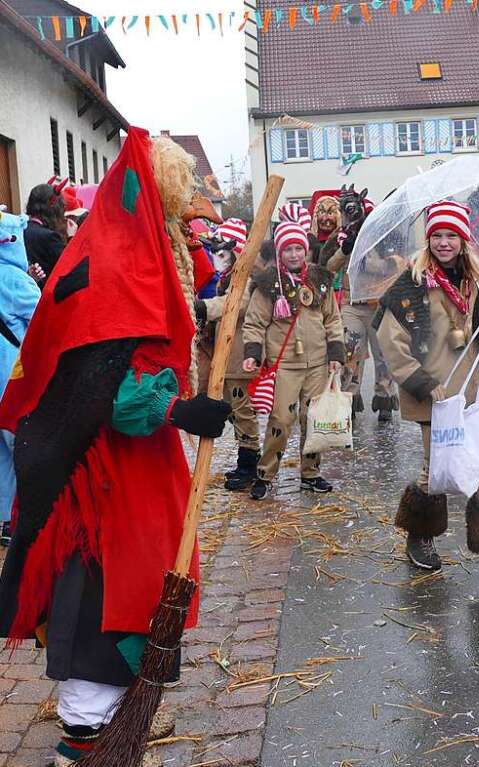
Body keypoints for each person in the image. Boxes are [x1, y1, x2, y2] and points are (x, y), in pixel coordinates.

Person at [0, 130, 231, 765]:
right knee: (107, 587)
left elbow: (151, 333)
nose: (188, 202)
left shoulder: (139, 246)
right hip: (102, 472)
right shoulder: (113, 260)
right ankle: (84, 740)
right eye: (179, 190)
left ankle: (108, 725)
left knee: (144, 577)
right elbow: (108, 382)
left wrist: (215, 316)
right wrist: (180, 408)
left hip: (138, 463)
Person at [375, 201, 479, 588]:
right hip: (434, 393)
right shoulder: (411, 283)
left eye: (451, 236)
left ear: (463, 239)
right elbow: (390, 340)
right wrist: (422, 383)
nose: (444, 243)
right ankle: (420, 535)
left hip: (472, 393)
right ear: (428, 240)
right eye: (437, 235)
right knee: (436, 470)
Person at [242, 222, 345, 500]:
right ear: (279, 251)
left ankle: (311, 474)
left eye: (298, 248)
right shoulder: (268, 284)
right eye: (288, 249)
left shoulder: (319, 280)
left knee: (313, 419)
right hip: (284, 365)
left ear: (306, 250)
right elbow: (254, 323)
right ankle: (265, 473)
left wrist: (336, 355)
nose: (294, 254)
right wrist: (253, 353)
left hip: (317, 364)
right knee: (282, 420)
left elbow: (332, 319)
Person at [322, 187, 401, 423]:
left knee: (383, 355)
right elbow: (328, 267)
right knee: (349, 353)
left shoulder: (384, 234)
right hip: (352, 303)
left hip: (379, 304)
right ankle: (349, 398)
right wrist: (345, 250)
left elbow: (395, 265)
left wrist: (366, 260)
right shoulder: (342, 235)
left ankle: (385, 398)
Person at [196, 218, 264, 492]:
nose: (217, 258)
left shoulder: (246, 276)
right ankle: (245, 456)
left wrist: (203, 307)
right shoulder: (227, 276)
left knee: (241, 407)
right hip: (225, 349)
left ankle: (250, 460)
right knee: (234, 408)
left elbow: (238, 303)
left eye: (223, 253)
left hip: (239, 350)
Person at [0, 211, 41, 546]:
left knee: (0, 455)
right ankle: (21, 520)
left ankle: (2, 520)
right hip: (11, 382)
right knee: (21, 450)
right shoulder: (15, 280)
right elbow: (45, 318)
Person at [24, 182, 67, 285]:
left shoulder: (19, 229)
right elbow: (70, 268)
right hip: (43, 296)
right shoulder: (50, 237)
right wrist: (72, 237)